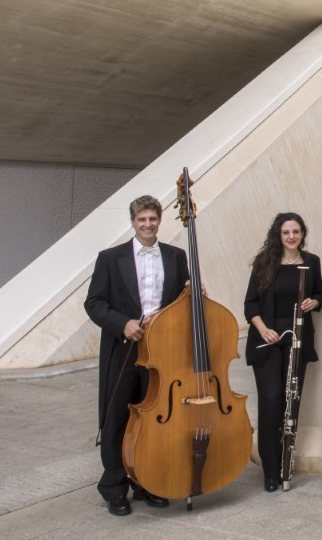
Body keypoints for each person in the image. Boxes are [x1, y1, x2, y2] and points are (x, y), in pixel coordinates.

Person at [84, 195, 189, 516]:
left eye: (153, 219)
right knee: (117, 416)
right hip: (125, 347)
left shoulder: (176, 256)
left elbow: (182, 297)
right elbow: (95, 303)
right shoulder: (110, 258)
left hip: (162, 350)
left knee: (154, 419)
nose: (148, 224)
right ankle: (114, 487)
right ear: (133, 222)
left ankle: (147, 482)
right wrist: (123, 324)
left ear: (160, 221)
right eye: (142, 220)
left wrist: (194, 292)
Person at [244, 212, 322, 492]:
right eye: (286, 232)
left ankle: (285, 465)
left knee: (291, 404)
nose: (291, 236)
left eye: (296, 232)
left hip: (298, 339)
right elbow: (250, 305)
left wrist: (314, 301)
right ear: (279, 235)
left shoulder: (312, 262)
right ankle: (270, 469)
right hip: (267, 338)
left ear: (303, 233)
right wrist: (264, 329)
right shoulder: (264, 262)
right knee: (271, 401)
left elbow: (321, 294)